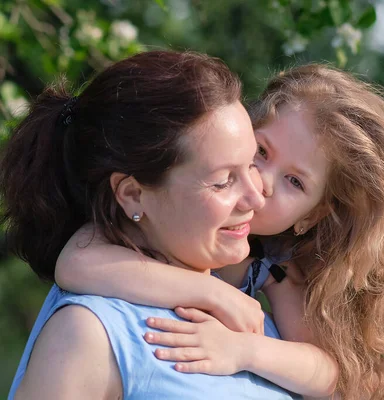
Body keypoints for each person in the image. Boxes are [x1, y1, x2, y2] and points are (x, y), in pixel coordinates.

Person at [54, 64, 384, 399]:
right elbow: (75, 262)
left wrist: (245, 349)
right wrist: (214, 294)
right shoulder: (161, 222)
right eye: (261, 151)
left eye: (295, 182)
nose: (261, 181)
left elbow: (325, 370)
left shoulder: (279, 270)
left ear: (310, 217)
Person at [2, 50, 311, 400]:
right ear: (133, 195)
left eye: (251, 163)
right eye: (223, 181)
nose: (256, 198)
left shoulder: (251, 315)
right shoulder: (89, 334)